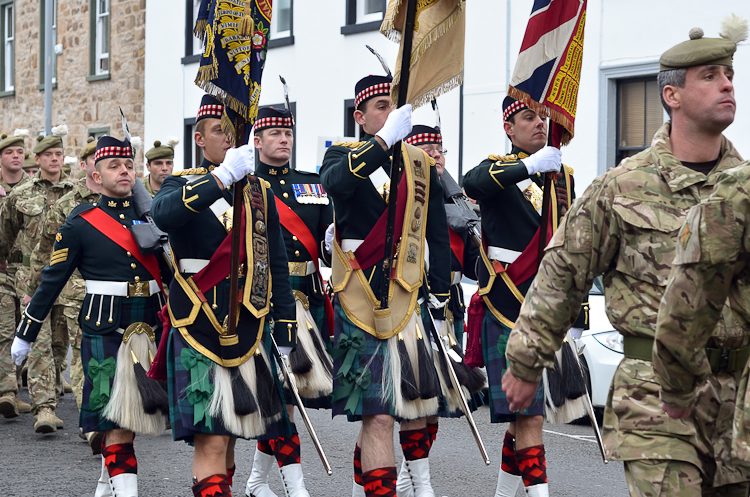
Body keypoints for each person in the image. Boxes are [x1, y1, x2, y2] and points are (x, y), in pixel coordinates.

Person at [502, 21, 750, 497]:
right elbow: (564, 272)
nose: (726, 84)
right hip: (653, 395)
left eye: (730, 75)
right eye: (710, 75)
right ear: (672, 96)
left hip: (737, 395)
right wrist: (527, 361)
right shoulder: (623, 186)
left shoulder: (742, 189)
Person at [151, 95, 299, 497]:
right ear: (199, 138)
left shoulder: (259, 192)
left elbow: (277, 266)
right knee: (212, 437)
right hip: (197, 323)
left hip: (248, 325)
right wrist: (219, 179)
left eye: (236, 132)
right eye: (220, 130)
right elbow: (163, 216)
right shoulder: (179, 183)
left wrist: (285, 329)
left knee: (233, 432)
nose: (230, 139)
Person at [11, 133, 170, 496]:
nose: (124, 172)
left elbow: (172, 273)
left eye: (129, 165)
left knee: (136, 416)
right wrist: (26, 332)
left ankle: (106, 484)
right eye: (114, 166)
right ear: (95, 176)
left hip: (149, 323)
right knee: (113, 418)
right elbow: (52, 280)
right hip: (105, 327)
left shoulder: (153, 215)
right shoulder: (81, 222)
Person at [320, 75, 451, 497]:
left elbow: (436, 233)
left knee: (411, 409)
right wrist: (381, 143)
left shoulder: (418, 163)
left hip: (406, 295)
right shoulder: (342, 155)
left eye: (394, 105)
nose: (390, 112)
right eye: (380, 106)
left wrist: (443, 298)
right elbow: (336, 185)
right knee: (376, 414)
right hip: (360, 293)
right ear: (359, 116)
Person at [462, 97, 577, 497]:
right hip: (507, 305)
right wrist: (528, 166)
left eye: (544, 117)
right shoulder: (499, 169)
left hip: (546, 308)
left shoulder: (564, 178)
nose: (540, 124)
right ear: (509, 128)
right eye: (529, 117)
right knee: (530, 416)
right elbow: (471, 183)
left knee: (522, 417)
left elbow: (569, 246)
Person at [245, 105, 333, 497]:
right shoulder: (245, 185)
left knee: (288, 397)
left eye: (288, 133)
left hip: (308, 300)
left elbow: (329, 250)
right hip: (266, 303)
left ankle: (256, 480)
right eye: (275, 133)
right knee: (280, 395)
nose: (284, 140)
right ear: (258, 140)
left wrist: (332, 245)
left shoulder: (312, 185)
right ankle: (295, 488)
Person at [392, 124, 484, 496]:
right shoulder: (400, 198)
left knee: (435, 406)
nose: (436, 156)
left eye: (440, 149)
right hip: (408, 309)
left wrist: (478, 227)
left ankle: (406, 480)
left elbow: (477, 267)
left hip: (447, 310)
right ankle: (421, 487)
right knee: (411, 404)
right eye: (427, 149)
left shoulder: (458, 202)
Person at [27, 136, 103, 452]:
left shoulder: (130, 202)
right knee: (83, 353)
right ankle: (92, 422)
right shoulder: (68, 205)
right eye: (99, 163)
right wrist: (37, 291)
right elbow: (45, 249)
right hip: (75, 290)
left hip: (117, 294)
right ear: (87, 167)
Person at [0, 126, 74, 433]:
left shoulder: (77, 194)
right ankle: (43, 408)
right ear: (38, 159)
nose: (55, 159)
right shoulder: (22, 195)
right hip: (32, 281)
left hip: (69, 279)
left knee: (60, 342)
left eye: (58, 154)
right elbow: (4, 233)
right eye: (48, 155)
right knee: (39, 340)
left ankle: (53, 390)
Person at [0, 130, 32, 418]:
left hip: (27, 271)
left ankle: (15, 385)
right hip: (1, 269)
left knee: (25, 329)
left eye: (20, 152)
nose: (16, 156)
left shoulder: (32, 189)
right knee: (4, 330)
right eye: (10, 152)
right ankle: (7, 391)